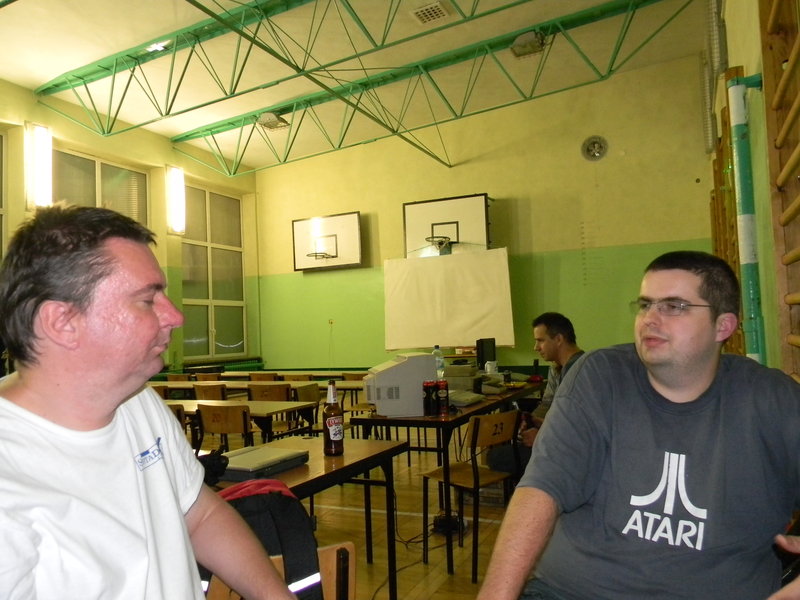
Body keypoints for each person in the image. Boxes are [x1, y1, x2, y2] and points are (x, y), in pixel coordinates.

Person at [0, 205, 295, 599]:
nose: (175, 316)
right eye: (146, 300)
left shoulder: (137, 402)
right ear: (63, 322)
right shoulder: (10, 477)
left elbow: (199, 514)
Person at [477, 250, 800, 600]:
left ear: (723, 326)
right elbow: (541, 490)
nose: (650, 319)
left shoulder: (774, 400)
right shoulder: (599, 375)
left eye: (674, 306)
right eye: (645, 305)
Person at [488, 312, 583, 473]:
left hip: (570, 453)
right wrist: (537, 421)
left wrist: (541, 437)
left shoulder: (577, 371)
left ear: (559, 339)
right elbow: (552, 408)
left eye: (540, 340)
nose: (536, 347)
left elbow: (577, 427)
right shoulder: (561, 367)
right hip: (562, 443)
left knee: (496, 457)